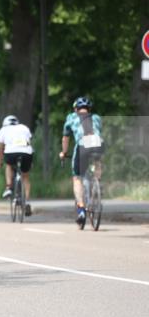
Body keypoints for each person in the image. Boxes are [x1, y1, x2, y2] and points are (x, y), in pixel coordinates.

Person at [59, 96, 104, 227]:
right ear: (89, 109)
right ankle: (97, 184)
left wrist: (64, 153)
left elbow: (65, 138)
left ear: (75, 109)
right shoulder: (96, 118)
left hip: (82, 144)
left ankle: (81, 210)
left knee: (77, 178)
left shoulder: (71, 117)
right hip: (97, 143)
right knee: (97, 161)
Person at [0, 115, 34, 216]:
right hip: (26, 153)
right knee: (25, 176)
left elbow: (0, 149)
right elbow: (29, 142)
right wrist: (31, 161)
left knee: (8, 165)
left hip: (11, 152)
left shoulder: (3, 129)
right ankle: (28, 201)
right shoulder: (24, 127)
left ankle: (9, 187)